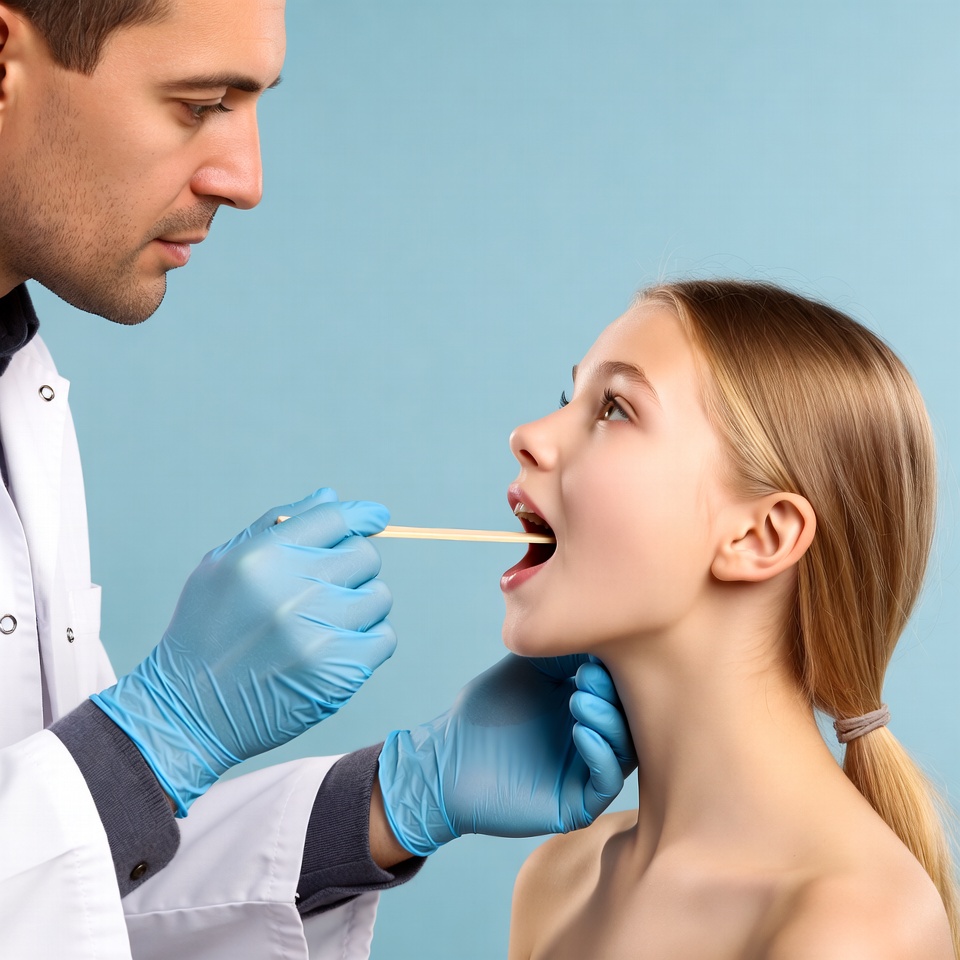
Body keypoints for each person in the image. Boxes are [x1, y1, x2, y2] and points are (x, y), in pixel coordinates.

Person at [0, 2, 636, 957]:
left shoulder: (18, 389)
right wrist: (152, 741)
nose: (246, 181)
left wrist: (393, 800)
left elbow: (85, 895)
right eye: (201, 102)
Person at [505, 279, 959, 959]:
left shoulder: (852, 930)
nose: (529, 437)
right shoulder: (560, 878)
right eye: (570, 399)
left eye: (616, 409)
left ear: (761, 536)